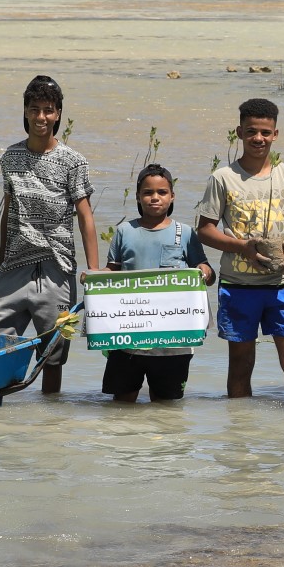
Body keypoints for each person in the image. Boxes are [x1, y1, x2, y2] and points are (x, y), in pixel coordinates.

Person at [197, 98, 284, 409]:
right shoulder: (223, 178)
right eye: (251, 132)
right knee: (240, 365)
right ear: (239, 132)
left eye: (265, 132)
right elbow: (205, 230)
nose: (258, 139)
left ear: (275, 134)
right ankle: (240, 439)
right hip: (238, 286)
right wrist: (242, 248)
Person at [0, 75, 98, 396]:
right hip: (14, 267)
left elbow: (86, 217)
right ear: (25, 112)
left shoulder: (73, 162)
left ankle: (51, 418)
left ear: (58, 114)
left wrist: (93, 269)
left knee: (53, 355)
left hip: (56, 268)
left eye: (48, 110)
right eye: (34, 110)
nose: (41, 118)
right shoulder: (10, 158)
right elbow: (8, 212)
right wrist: (1, 264)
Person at [102, 164, 213, 403]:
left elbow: (206, 270)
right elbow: (111, 272)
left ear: (172, 196)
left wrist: (204, 270)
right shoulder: (123, 231)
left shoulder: (185, 233)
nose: (155, 198)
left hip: (173, 343)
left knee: (166, 406)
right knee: (122, 401)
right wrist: (93, 279)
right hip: (128, 340)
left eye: (162, 192)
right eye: (147, 192)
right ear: (138, 197)